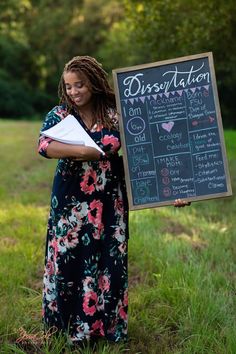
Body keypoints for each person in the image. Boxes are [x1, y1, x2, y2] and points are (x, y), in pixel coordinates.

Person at [38, 55, 190, 345]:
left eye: (79, 85)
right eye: (69, 86)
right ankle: (68, 331)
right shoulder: (60, 115)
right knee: (68, 261)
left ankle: (107, 332)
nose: (74, 92)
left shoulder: (117, 115)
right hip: (70, 201)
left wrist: (176, 192)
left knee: (110, 262)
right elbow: (44, 145)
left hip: (110, 200)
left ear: (93, 83)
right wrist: (86, 152)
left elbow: (149, 154)